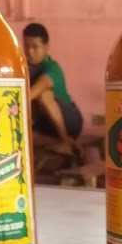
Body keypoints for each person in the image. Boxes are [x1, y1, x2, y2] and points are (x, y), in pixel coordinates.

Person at [23, 23, 83, 157]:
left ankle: (65, 141)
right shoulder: (24, 69)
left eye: (35, 47)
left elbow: (29, 95)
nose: (29, 51)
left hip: (70, 122)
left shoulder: (52, 68)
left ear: (46, 47)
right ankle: (69, 144)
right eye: (26, 46)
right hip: (46, 124)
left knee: (43, 95)